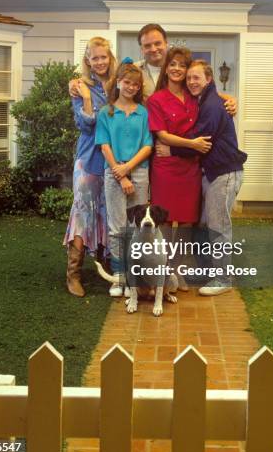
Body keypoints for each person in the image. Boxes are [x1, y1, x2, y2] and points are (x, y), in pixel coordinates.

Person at [156, 59, 247, 296]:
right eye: (189, 78)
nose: (191, 82)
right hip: (214, 173)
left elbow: (201, 140)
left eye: (197, 77)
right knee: (208, 224)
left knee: (219, 225)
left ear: (209, 79)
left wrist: (171, 150)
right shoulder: (205, 100)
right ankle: (213, 272)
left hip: (224, 172)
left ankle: (223, 279)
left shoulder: (212, 105)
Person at [146, 47, 213, 289]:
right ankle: (162, 273)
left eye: (182, 65)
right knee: (164, 221)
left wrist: (231, 100)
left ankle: (177, 271)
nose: (177, 69)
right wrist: (191, 144)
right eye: (172, 64)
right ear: (166, 68)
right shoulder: (156, 99)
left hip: (191, 168)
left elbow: (215, 94)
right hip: (165, 168)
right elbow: (162, 135)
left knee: (186, 222)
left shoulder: (194, 96)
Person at [64, 37, 117, 298]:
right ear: (88, 60)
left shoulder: (119, 85)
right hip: (88, 159)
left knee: (108, 213)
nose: (99, 62)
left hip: (113, 159)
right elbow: (86, 126)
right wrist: (86, 99)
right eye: (94, 58)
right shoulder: (80, 87)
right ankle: (73, 273)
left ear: (110, 57)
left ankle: (107, 267)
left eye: (103, 57)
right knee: (83, 213)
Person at [95, 59, 153, 297]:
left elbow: (148, 145)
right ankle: (119, 277)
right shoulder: (106, 113)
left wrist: (128, 168)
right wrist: (119, 172)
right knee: (117, 226)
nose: (131, 87)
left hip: (139, 172)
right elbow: (104, 145)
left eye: (136, 85)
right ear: (118, 82)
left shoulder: (143, 113)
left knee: (136, 227)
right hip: (113, 172)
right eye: (127, 82)